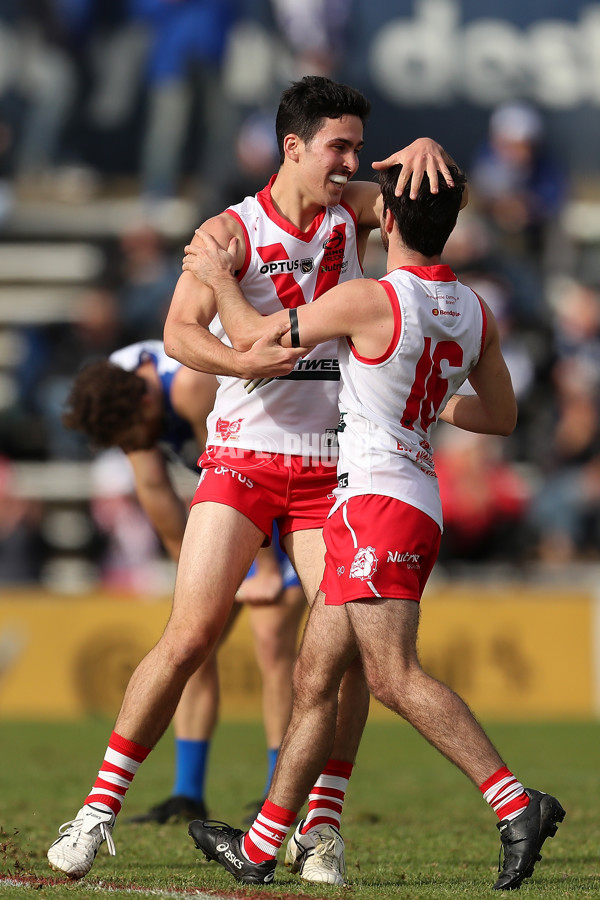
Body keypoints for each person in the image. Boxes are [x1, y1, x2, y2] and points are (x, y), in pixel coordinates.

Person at [46, 73, 454, 883]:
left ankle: (322, 829)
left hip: (331, 471)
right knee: (190, 635)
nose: (354, 163)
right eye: (339, 148)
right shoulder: (230, 231)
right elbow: (177, 331)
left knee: (341, 659)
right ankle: (97, 812)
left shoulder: (356, 211)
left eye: (360, 149)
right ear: (292, 148)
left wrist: (432, 151)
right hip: (242, 461)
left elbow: (431, 203)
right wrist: (241, 360)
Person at [182, 162, 565, 891]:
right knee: (315, 673)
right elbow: (504, 418)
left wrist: (219, 276)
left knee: (391, 676)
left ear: (384, 221)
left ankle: (516, 804)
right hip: (418, 499)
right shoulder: (475, 308)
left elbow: (257, 340)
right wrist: (421, 403)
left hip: (370, 505)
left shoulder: (366, 299)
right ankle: (263, 847)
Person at [61, 340, 306, 824]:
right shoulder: (121, 397)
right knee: (194, 647)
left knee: (272, 642)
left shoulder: (193, 386)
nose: (135, 446)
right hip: (233, 512)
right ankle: (187, 792)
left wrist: (268, 570)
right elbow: (157, 495)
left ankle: (277, 794)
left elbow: (241, 471)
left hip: (286, 496)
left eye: (134, 437)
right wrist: (195, 571)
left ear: (146, 403)